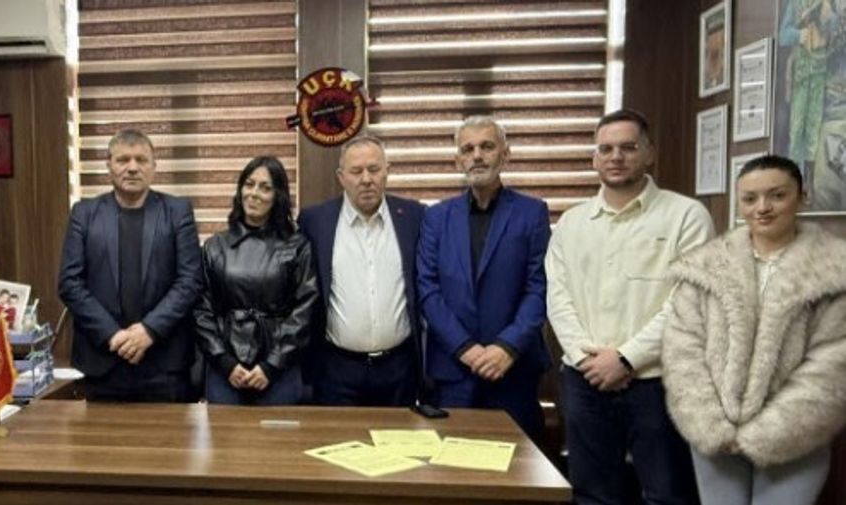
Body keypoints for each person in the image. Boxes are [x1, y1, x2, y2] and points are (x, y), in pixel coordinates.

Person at [545, 109, 712, 504]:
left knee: (667, 494)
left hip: (657, 383)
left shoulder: (686, 216)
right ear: (595, 158)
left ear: (649, 153)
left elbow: (689, 301)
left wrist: (625, 358)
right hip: (584, 381)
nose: (616, 157)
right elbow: (558, 297)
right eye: (605, 149)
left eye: (628, 147)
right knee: (593, 495)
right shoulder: (572, 222)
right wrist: (588, 360)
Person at [663, 155, 846, 505]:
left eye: (777, 195)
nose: (762, 207)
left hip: (795, 439)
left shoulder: (834, 272)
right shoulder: (704, 268)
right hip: (715, 439)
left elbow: (832, 367)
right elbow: (682, 351)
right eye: (750, 198)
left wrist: (764, 434)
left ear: (802, 197)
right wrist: (710, 425)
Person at [416, 115, 551, 437]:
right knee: (451, 461)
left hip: (512, 369)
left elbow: (539, 287)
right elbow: (427, 288)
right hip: (453, 369)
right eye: (468, 149)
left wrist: (507, 347)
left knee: (516, 461)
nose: (477, 155)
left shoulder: (532, 213)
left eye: (487, 147)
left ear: (505, 155)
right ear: (457, 161)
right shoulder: (435, 217)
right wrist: (465, 348)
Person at [58, 129, 203, 402]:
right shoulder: (84, 214)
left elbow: (190, 281)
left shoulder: (178, 212)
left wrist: (149, 331)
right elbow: (70, 283)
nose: (133, 167)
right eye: (123, 159)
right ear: (109, 165)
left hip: (164, 362)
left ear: (154, 166)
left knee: (169, 432)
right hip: (103, 362)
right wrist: (113, 336)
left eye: (141, 160)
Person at [297, 135, 426, 406]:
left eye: (374, 169)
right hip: (336, 369)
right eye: (356, 171)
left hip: (400, 368)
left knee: (396, 435)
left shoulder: (414, 217)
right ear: (341, 177)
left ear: (387, 171)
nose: (366, 179)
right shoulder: (315, 221)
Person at [195, 156, 318, 405]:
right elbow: (201, 310)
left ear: (277, 196)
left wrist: (272, 365)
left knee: (279, 432)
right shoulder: (214, 246)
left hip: (280, 368)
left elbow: (305, 311)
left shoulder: (297, 246)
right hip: (226, 370)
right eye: (249, 184)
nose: (254, 194)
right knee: (226, 431)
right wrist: (225, 362)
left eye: (265, 187)